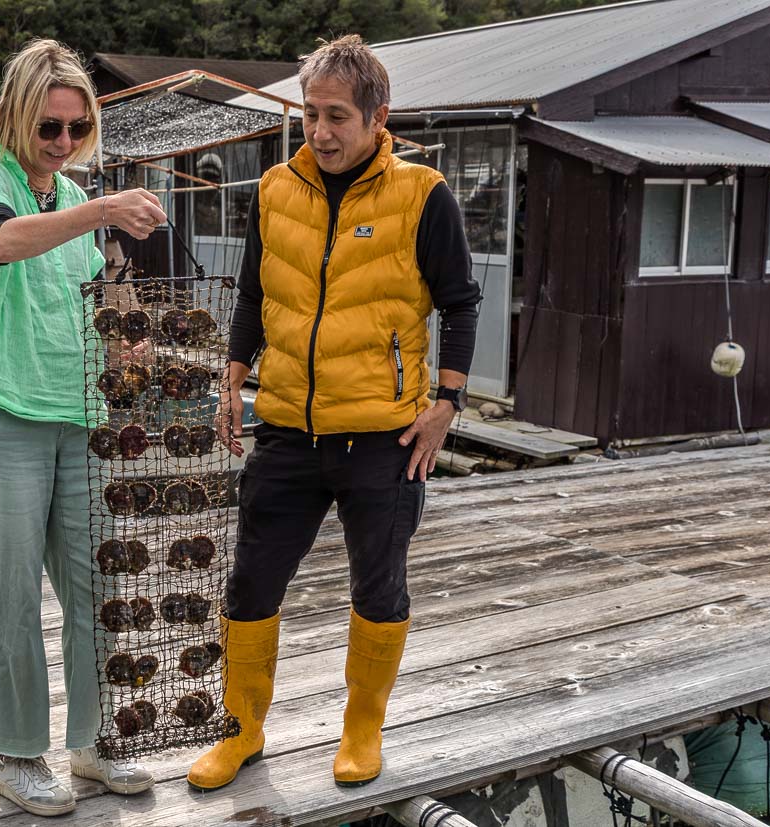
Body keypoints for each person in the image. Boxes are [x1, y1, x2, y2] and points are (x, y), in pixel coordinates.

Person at [187, 34, 481, 791]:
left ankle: (362, 727)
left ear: (378, 117)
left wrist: (446, 402)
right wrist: (233, 375)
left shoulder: (423, 195)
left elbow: (460, 304)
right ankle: (241, 728)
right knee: (251, 582)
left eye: (338, 116)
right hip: (287, 428)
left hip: (383, 438)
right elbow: (255, 292)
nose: (321, 131)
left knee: (378, 588)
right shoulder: (276, 189)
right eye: (313, 114)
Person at [0, 38, 167, 817]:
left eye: (76, 129)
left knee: (96, 587)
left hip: (78, 416)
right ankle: (17, 756)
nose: (64, 143)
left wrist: (124, 333)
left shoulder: (68, 193)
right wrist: (99, 209)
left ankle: (94, 742)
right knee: (13, 596)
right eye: (49, 129)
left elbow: (83, 299)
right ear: (17, 118)